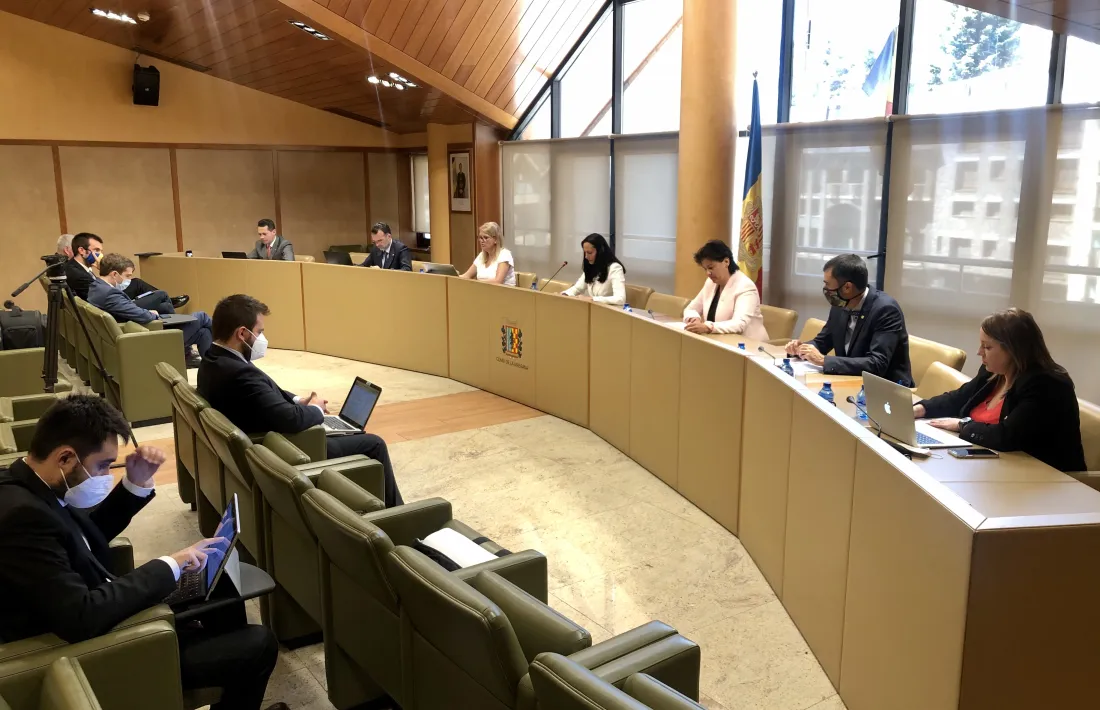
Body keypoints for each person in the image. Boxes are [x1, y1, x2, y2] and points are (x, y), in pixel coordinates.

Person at [0, 396, 286, 710]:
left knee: (216, 583)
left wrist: (133, 484)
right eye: (102, 465)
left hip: (94, 608)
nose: (106, 474)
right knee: (259, 644)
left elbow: (79, 540)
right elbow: (81, 616)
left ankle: (225, 671)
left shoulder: (33, 487)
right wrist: (167, 565)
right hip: (92, 649)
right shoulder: (21, 518)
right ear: (66, 458)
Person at [197, 294, 403, 507]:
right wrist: (316, 410)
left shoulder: (214, 358)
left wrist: (298, 400)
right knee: (374, 444)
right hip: (284, 448)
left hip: (264, 441)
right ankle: (396, 513)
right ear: (242, 333)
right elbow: (290, 419)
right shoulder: (239, 373)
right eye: (259, 332)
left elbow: (262, 391)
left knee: (350, 433)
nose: (262, 339)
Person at [914, 308, 1086, 472]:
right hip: (994, 465)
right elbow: (958, 398)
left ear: (1013, 349)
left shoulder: (1046, 384)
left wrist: (962, 425)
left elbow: (1007, 436)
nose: (979, 352)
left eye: (987, 347)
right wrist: (919, 409)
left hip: (1044, 478)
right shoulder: (993, 372)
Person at [785, 253, 914, 385]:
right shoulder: (841, 304)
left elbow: (877, 364)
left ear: (847, 287)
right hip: (849, 380)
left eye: (828, 284)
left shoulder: (885, 309)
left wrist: (824, 360)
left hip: (884, 388)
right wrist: (801, 349)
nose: (826, 289)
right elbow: (823, 342)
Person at [90, 254, 213, 365]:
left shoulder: (96, 287)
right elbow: (144, 316)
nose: (128, 280)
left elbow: (128, 309)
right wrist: (151, 314)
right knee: (202, 316)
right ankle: (223, 339)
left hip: (131, 333)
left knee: (204, 332)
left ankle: (212, 366)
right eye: (127, 276)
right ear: (114, 274)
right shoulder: (110, 294)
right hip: (146, 339)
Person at [61, 233, 188, 310]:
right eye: (97, 250)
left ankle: (167, 304)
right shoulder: (76, 273)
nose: (100, 255)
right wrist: (104, 270)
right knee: (158, 294)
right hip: (111, 306)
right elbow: (100, 294)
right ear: (82, 251)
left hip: (109, 302)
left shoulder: (77, 267)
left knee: (162, 305)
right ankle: (168, 302)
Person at [682, 239, 769, 339]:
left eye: (711, 267)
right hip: (720, 341)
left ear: (726, 262)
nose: (708, 273)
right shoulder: (710, 282)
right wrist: (694, 319)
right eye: (705, 269)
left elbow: (739, 324)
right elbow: (691, 308)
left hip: (749, 344)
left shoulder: (745, 286)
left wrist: (708, 327)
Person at [561, 233, 626, 305]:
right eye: (585, 253)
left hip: (609, 310)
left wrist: (592, 299)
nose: (586, 256)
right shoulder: (591, 266)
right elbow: (577, 288)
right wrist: (564, 295)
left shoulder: (615, 268)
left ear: (601, 252)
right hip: (593, 310)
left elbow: (620, 299)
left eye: (589, 253)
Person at [459, 222, 515, 286]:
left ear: (495, 239)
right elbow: (467, 276)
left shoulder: (504, 254)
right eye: (480, 238)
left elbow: (497, 281)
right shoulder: (481, 255)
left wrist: (476, 283)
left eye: (486, 238)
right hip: (482, 290)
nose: (482, 241)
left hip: (502, 291)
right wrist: (455, 276)